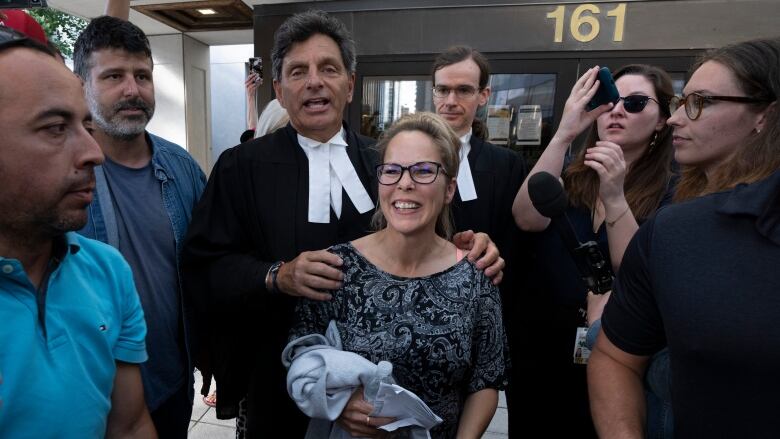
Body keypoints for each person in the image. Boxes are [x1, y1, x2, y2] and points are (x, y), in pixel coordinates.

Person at [181, 10, 503, 439]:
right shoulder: (241, 167)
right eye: (298, 71)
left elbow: (430, 239)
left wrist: (470, 243)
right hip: (274, 381)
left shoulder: (385, 163)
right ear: (278, 89)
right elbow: (203, 265)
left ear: (350, 85)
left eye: (328, 68)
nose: (314, 81)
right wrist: (277, 276)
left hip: (383, 399)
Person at [588, 37, 780, 438]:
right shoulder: (677, 226)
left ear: (764, 115)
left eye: (701, 103)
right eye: (681, 103)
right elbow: (615, 357)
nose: (678, 119)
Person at [290, 112, 507, 439]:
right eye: (392, 170)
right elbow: (301, 352)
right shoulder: (338, 267)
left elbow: (486, 380)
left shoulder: (476, 276)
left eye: (423, 171)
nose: (405, 182)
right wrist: (338, 402)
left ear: (449, 189)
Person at [0, 32, 155, 438]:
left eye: (86, 125)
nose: (94, 153)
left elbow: (130, 425)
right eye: (55, 128)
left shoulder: (108, 271)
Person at [512, 64, 675, 437]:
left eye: (634, 103)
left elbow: (638, 268)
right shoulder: (571, 174)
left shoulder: (673, 191)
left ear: (663, 119)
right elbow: (526, 217)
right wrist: (566, 132)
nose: (616, 110)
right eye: (610, 100)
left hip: (615, 354)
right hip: (541, 348)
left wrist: (615, 195)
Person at [73, 15, 207, 438]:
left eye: (142, 76)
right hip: (90, 395)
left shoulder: (182, 168)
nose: (132, 90)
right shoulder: (62, 172)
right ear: (82, 86)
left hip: (171, 384)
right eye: (113, 76)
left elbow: (207, 266)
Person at [430, 45, 527, 434]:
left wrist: (494, 250)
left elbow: (518, 246)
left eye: (464, 90)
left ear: (484, 96)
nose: (451, 101)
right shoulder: (400, 155)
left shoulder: (507, 166)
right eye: (443, 90)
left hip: (478, 319)